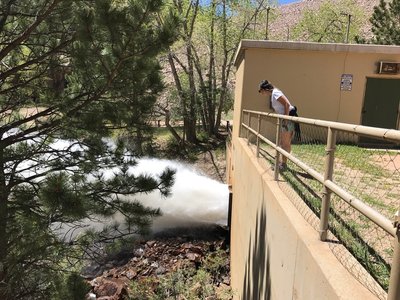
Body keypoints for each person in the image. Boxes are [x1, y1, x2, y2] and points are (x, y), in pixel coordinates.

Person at [258, 79, 296, 170]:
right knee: (283, 142)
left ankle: (283, 165)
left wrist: (286, 119)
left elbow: (286, 104)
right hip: (285, 119)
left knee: (284, 143)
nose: (261, 93)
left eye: (260, 91)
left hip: (287, 119)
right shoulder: (273, 94)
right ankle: (282, 163)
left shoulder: (275, 93)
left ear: (265, 89)